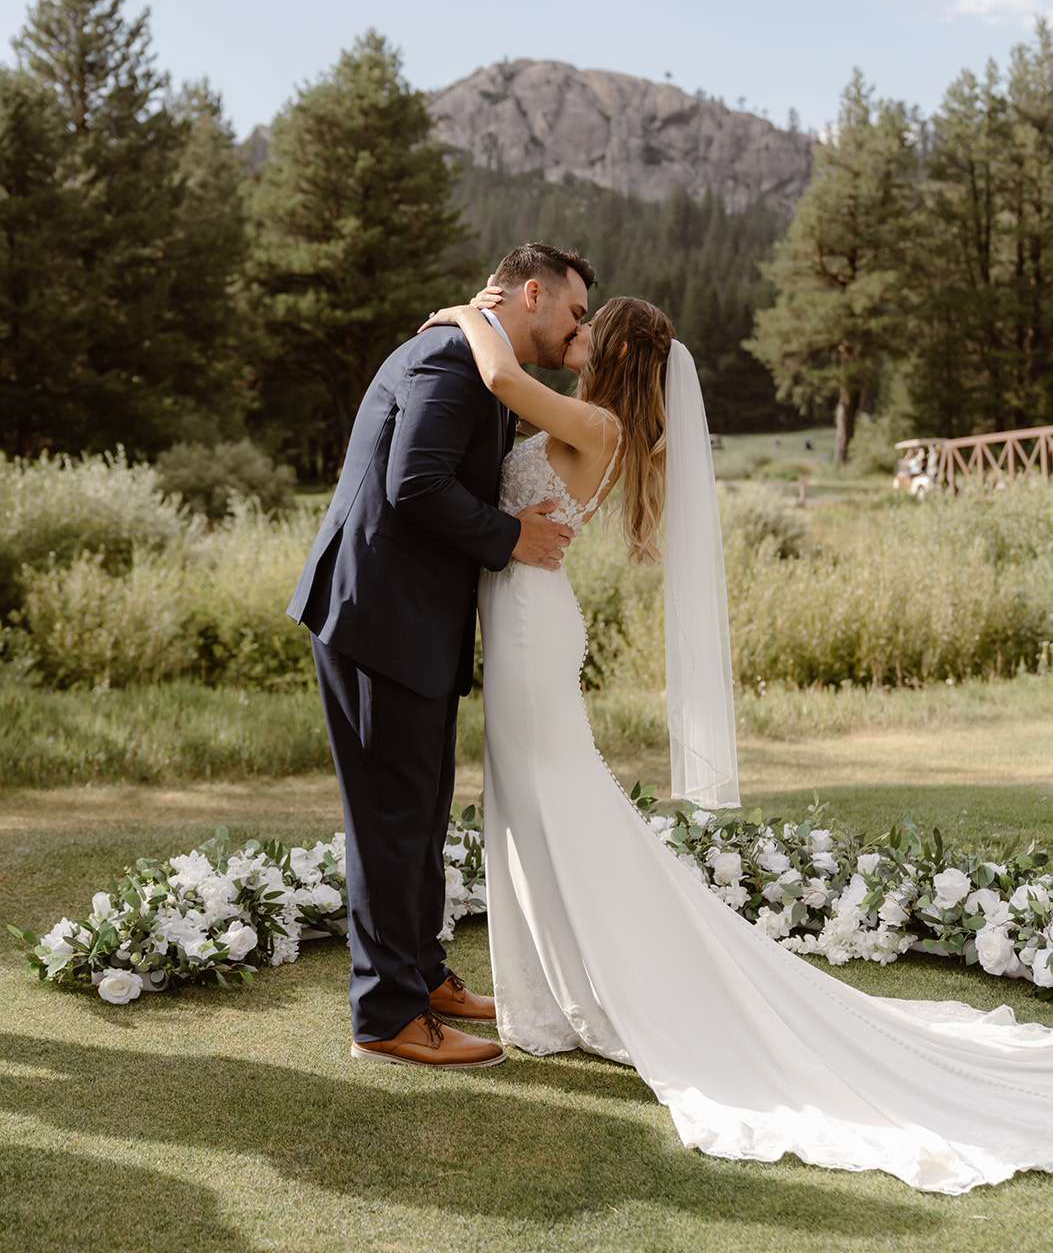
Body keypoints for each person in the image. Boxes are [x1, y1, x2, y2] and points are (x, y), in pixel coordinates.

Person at [419, 289, 1053, 1194]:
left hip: (530, 630)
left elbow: (497, 372)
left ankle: (583, 996)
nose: (577, 332)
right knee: (530, 808)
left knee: (555, 805)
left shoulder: (593, 423)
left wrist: (459, 311)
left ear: (617, 354)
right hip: (527, 621)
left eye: (590, 327)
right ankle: (549, 1003)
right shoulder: (612, 427)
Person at [288, 243, 595, 1068]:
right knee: (391, 820)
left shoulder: (477, 354)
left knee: (418, 814)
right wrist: (511, 537)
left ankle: (421, 977)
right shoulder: (447, 356)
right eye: (572, 312)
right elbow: (413, 482)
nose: (578, 329)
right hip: (376, 618)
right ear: (532, 293)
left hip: (412, 623)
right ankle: (386, 1017)